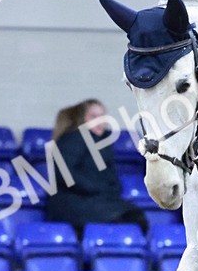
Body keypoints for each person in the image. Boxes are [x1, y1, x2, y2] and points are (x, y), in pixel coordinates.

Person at [45, 99, 149, 236]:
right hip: (73, 202)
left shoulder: (103, 143)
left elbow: (110, 176)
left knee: (135, 217)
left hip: (96, 200)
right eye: (93, 117)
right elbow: (64, 173)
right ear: (82, 119)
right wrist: (96, 189)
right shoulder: (74, 139)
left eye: (102, 116)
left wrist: (111, 189)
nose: (99, 121)